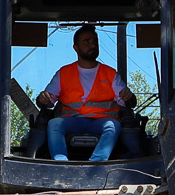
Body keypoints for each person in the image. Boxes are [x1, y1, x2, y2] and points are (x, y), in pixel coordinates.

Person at [35, 25, 133, 162]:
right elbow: (47, 100)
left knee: (113, 125)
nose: (92, 44)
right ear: (76, 48)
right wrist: (43, 99)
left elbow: (127, 100)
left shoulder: (110, 73)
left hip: (101, 121)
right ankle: (60, 161)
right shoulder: (64, 73)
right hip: (72, 120)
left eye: (95, 41)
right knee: (54, 124)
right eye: (86, 41)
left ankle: (96, 163)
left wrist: (128, 96)